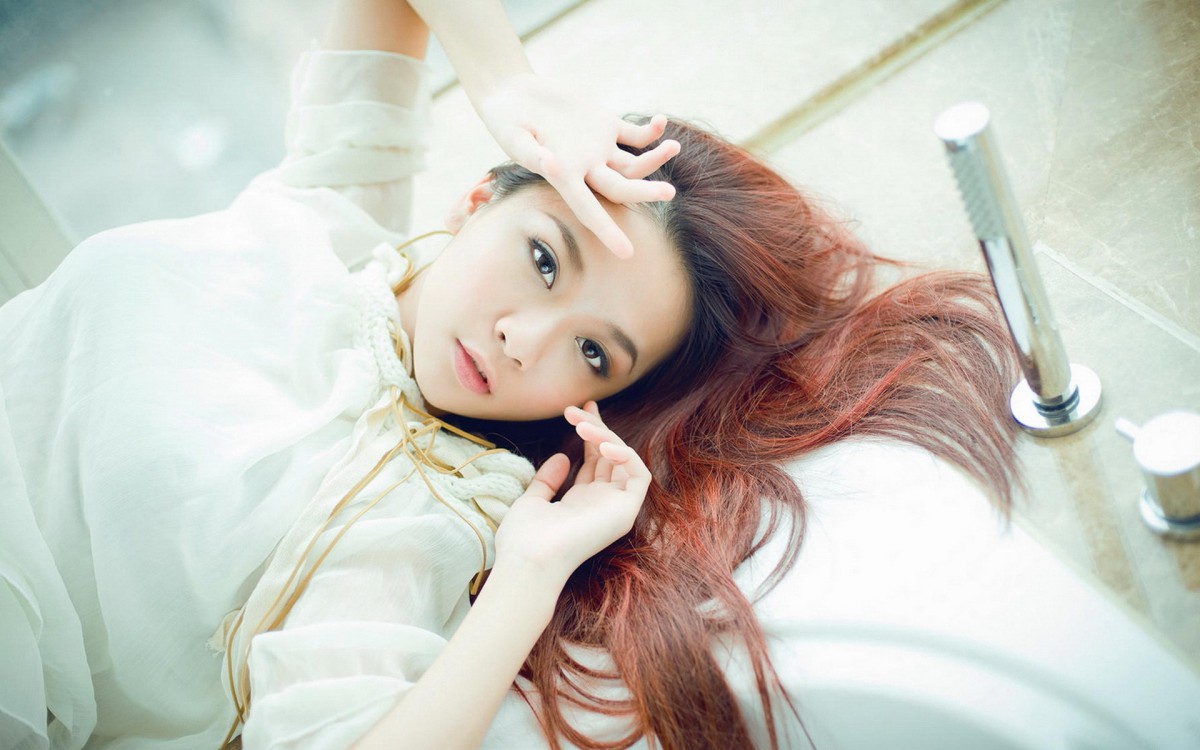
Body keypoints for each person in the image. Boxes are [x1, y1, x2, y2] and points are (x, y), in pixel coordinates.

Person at [0, 1, 1020, 748]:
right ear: (481, 194)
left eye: (593, 353)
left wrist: (529, 574)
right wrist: (507, 82)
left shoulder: (415, 516)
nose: (523, 341)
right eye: (543, 257)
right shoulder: (335, 211)